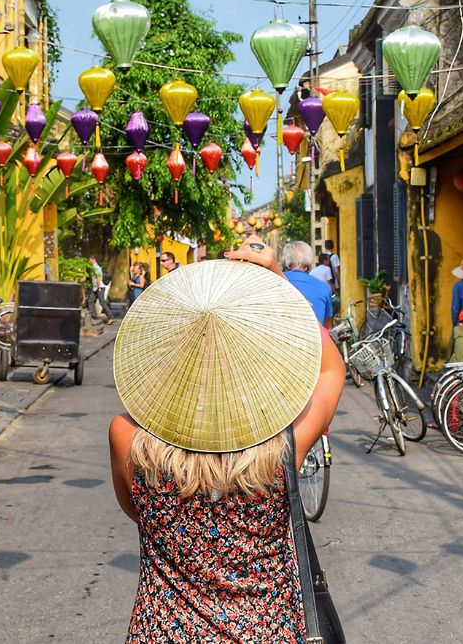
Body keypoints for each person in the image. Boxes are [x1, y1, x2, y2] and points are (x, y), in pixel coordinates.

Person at [108, 234, 345, 642]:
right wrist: (276, 280)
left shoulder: (126, 436)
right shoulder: (281, 449)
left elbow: (135, 511)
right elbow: (330, 371)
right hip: (269, 632)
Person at [281, 241, 333, 327]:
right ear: (310, 262)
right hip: (314, 339)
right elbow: (327, 326)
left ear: (287, 261)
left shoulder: (276, 280)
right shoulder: (324, 287)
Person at [88, 255, 114, 325]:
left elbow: (99, 277)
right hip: (95, 288)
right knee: (90, 300)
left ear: (93, 259)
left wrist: (99, 287)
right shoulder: (93, 267)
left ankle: (111, 317)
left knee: (102, 302)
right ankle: (93, 316)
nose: (89, 261)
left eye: (90, 259)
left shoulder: (96, 268)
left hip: (99, 287)